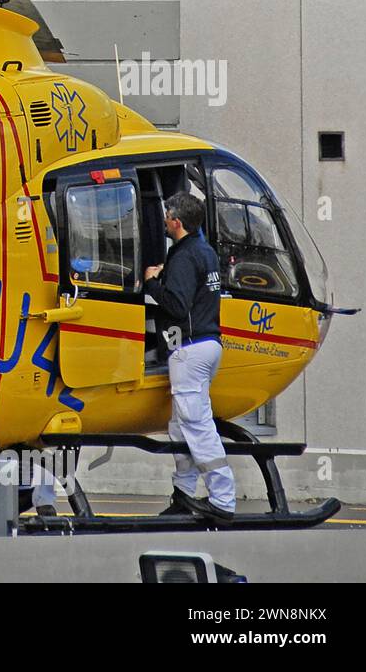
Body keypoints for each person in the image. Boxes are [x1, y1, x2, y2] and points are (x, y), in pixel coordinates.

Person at [143, 192, 235, 524]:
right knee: (180, 426)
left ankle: (223, 500)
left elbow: (177, 306)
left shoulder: (183, 257)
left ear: (176, 222)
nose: (164, 220)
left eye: (167, 216)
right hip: (208, 346)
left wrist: (152, 282)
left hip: (189, 350)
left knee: (195, 426)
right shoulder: (204, 251)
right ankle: (183, 495)